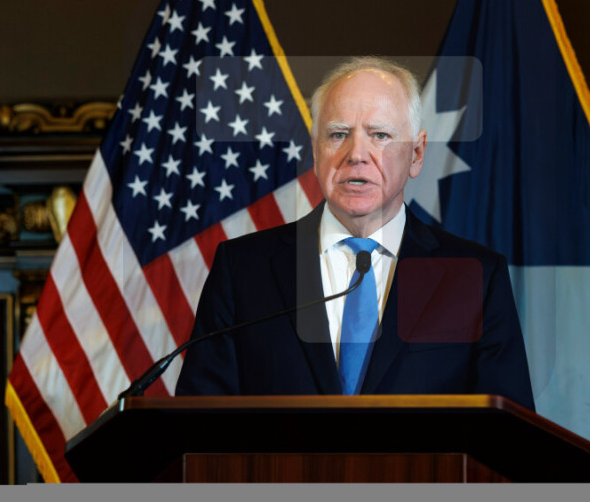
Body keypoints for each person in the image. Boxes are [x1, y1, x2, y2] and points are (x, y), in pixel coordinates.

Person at [176, 56, 535, 410]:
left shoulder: (475, 277)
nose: (356, 154)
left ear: (416, 153)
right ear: (315, 150)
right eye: (338, 134)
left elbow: (508, 436)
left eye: (380, 135)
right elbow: (198, 422)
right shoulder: (242, 269)